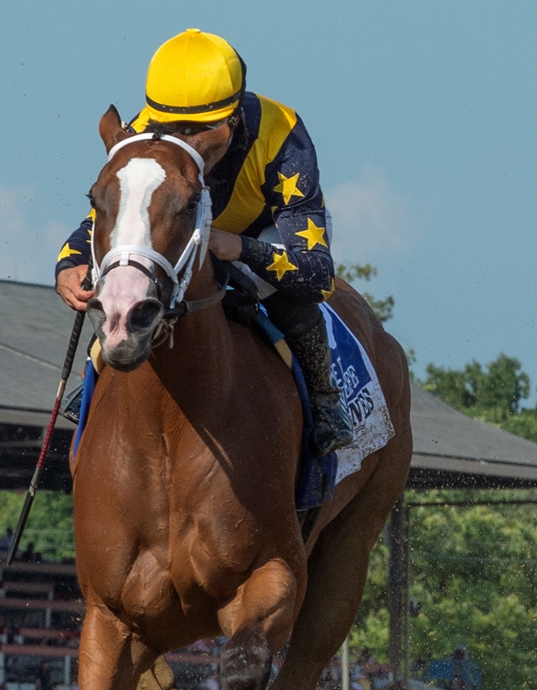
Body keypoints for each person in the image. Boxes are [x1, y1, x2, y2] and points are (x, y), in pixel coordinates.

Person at [53, 28, 355, 456]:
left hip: (257, 236)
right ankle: (95, 381)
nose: (184, 137)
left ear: (232, 118)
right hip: (176, 236)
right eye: (172, 126)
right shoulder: (143, 130)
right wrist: (68, 265)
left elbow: (318, 276)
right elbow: (109, 213)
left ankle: (324, 401)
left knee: (291, 297)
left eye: (199, 128)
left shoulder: (283, 135)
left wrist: (241, 248)